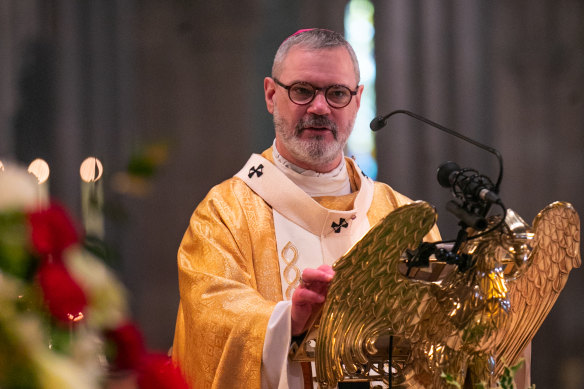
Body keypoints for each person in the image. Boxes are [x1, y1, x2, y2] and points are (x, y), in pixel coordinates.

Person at [171, 28, 437, 389]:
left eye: (337, 93)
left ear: (358, 101)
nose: (319, 107)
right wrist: (286, 323)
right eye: (302, 90)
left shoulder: (401, 217)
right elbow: (211, 316)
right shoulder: (224, 213)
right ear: (270, 94)